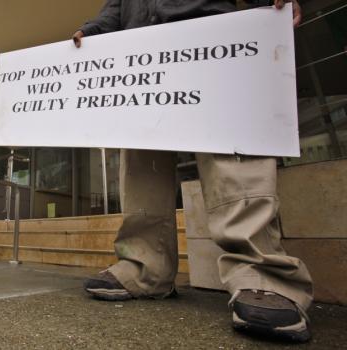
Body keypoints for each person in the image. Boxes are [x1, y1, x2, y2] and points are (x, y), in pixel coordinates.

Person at [73, 0, 312, 342]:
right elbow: (118, 4)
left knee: (231, 154)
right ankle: (144, 267)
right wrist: (95, 30)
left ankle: (262, 275)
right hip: (141, 45)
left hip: (214, 32)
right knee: (143, 167)